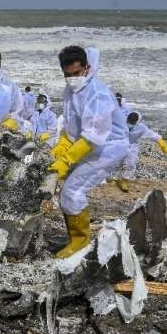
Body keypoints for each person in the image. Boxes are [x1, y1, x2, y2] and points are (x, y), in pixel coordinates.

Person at [48, 46, 129, 258]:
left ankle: (80, 243)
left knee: (72, 191)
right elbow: (72, 125)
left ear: (86, 68)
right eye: (67, 75)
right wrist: (62, 145)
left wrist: (66, 160)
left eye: (76, 73)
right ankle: (75, 239)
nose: (72, 78)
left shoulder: (97, 94)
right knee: (67, 189)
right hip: (87, 145)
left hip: (108, 147)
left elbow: (93, 136)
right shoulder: (71, 91)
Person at [115, 111, 167, 192]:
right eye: (129, 121)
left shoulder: (141, 128)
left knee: (130, 164)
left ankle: (124, 181)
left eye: (132, 122)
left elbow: (152, 135)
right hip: (119, 144)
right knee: (115, 162)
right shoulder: (121, 123)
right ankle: (114, 178)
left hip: (132, 147)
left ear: (137, 122)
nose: (130, 123)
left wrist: (161, 142)